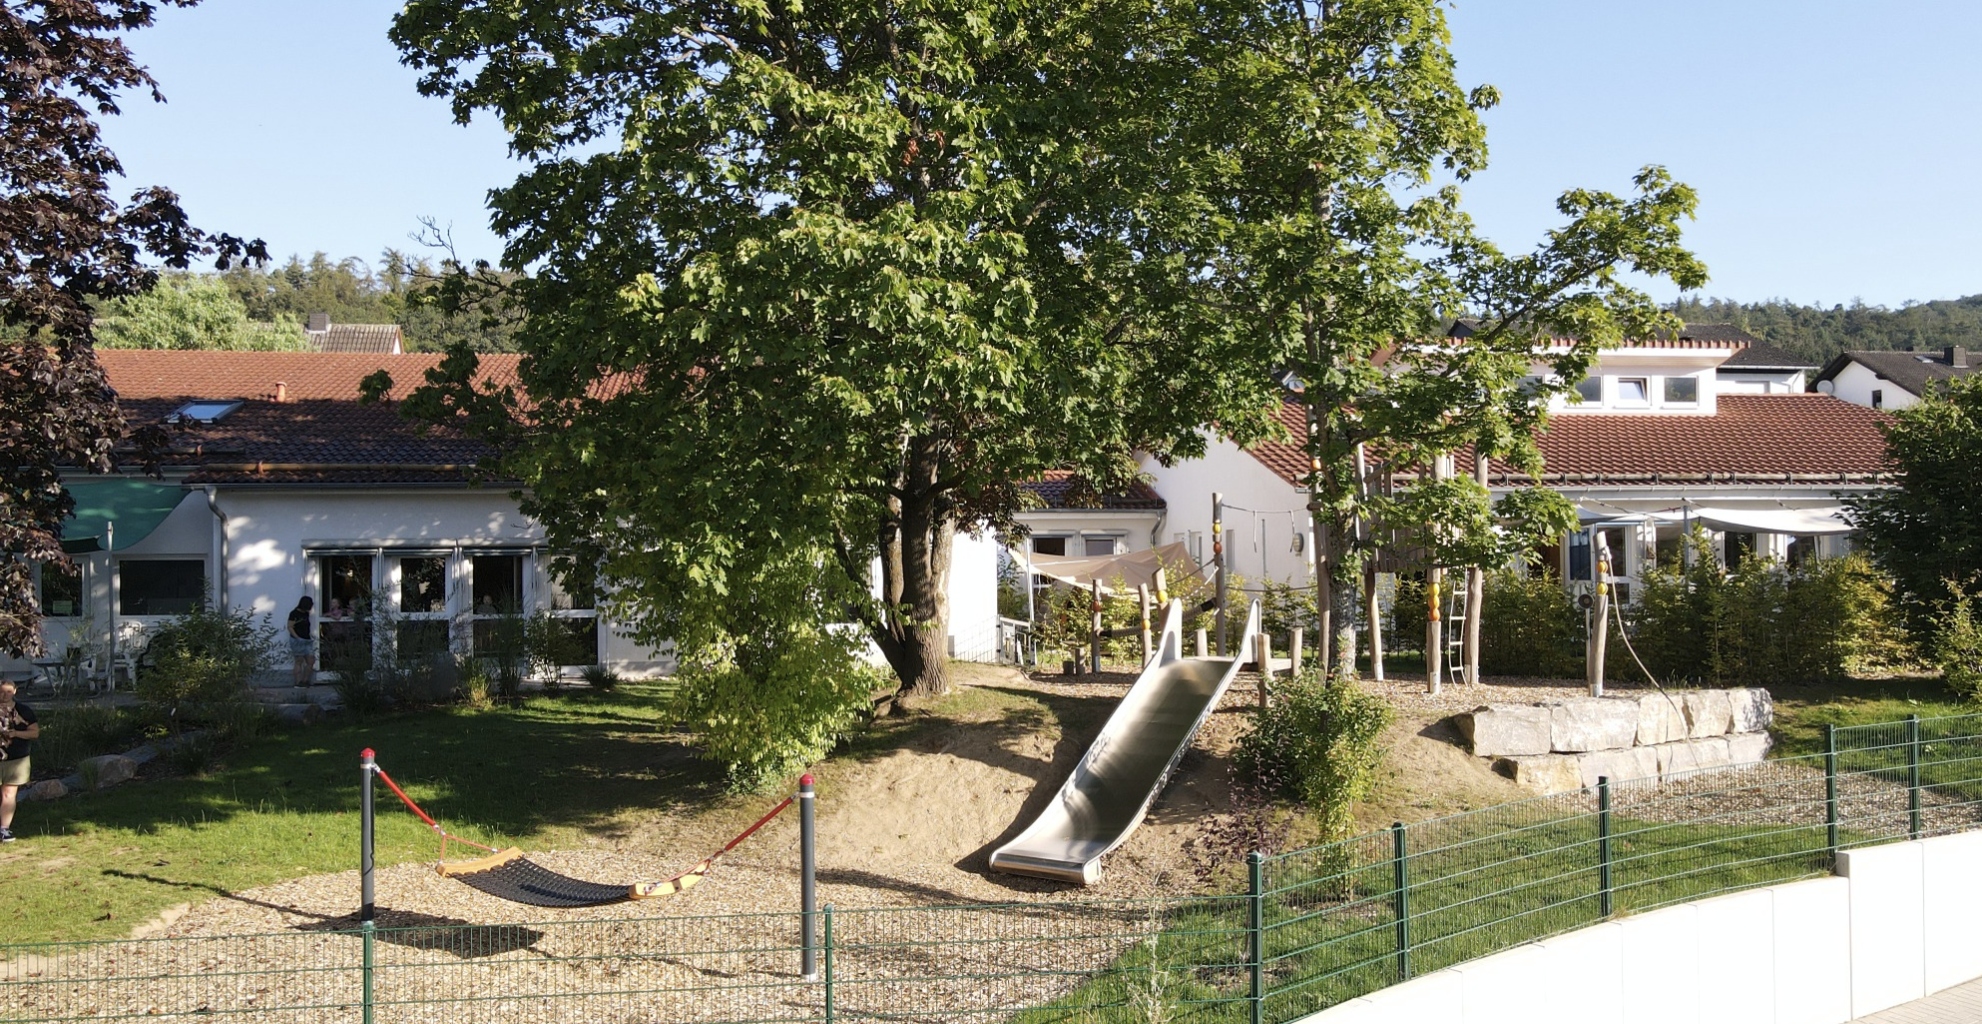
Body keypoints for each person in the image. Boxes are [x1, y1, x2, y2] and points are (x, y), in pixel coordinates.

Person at [0, 677, 41, 843]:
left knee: (9, 793)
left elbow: (34, 732)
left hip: (17, 758)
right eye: (1, 692)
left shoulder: (23, 711)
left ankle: (4, 829)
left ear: (15, 691)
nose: (5, 695)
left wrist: (16, 733)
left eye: (8, 692)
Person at [287, 595, 315, 689]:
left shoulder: (306, 614)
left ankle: (305, 680)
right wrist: (297, 637)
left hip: (307, 639)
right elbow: (290, 627)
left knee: (311, 660)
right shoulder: (294, 614)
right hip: (297, 640)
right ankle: (298, 682)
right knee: (299, 660)